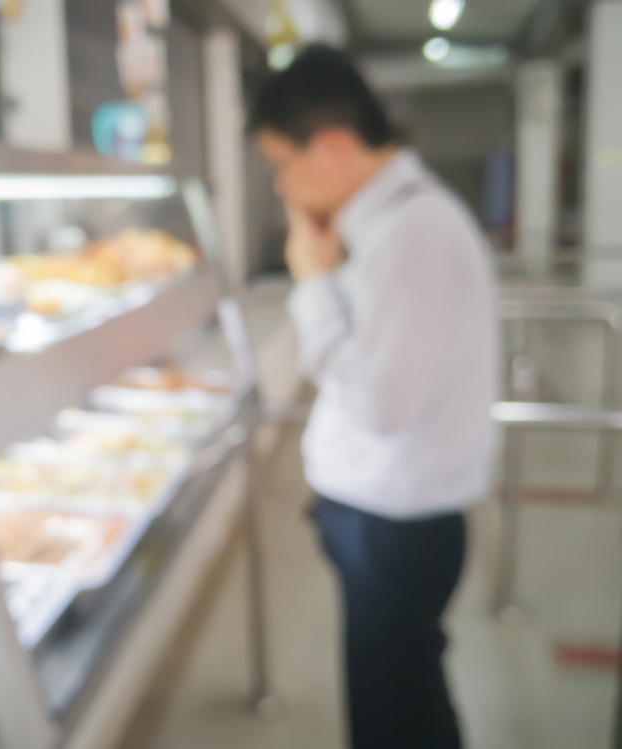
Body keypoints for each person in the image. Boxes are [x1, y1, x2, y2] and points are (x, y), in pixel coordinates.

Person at [250, 45, 499, 749]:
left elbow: (385, 404)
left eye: (282, 166)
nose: (282, 188)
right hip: (390, 517)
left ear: (329, 147)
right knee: (406, 695)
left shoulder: (410, 236)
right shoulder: (393, 225)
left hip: (395, 524)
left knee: (394, 715)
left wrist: (313, 281)